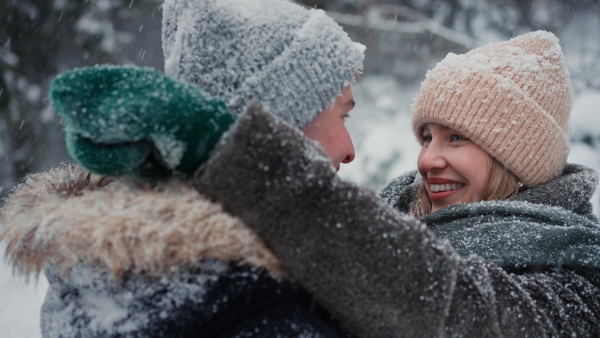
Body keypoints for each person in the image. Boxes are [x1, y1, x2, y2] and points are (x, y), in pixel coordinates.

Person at [190, 31, 600, 337]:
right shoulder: (393, 214)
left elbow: (450, 308)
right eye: (427, 137)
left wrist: (264, 179)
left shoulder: (579, 282)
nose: (426, 160)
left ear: (519, 156)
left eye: (456, 137)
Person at [0, 0, 364, 336]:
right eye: (342, 114)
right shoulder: (264, 311)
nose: (349, 150)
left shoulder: (95, 286)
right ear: (278, 126)